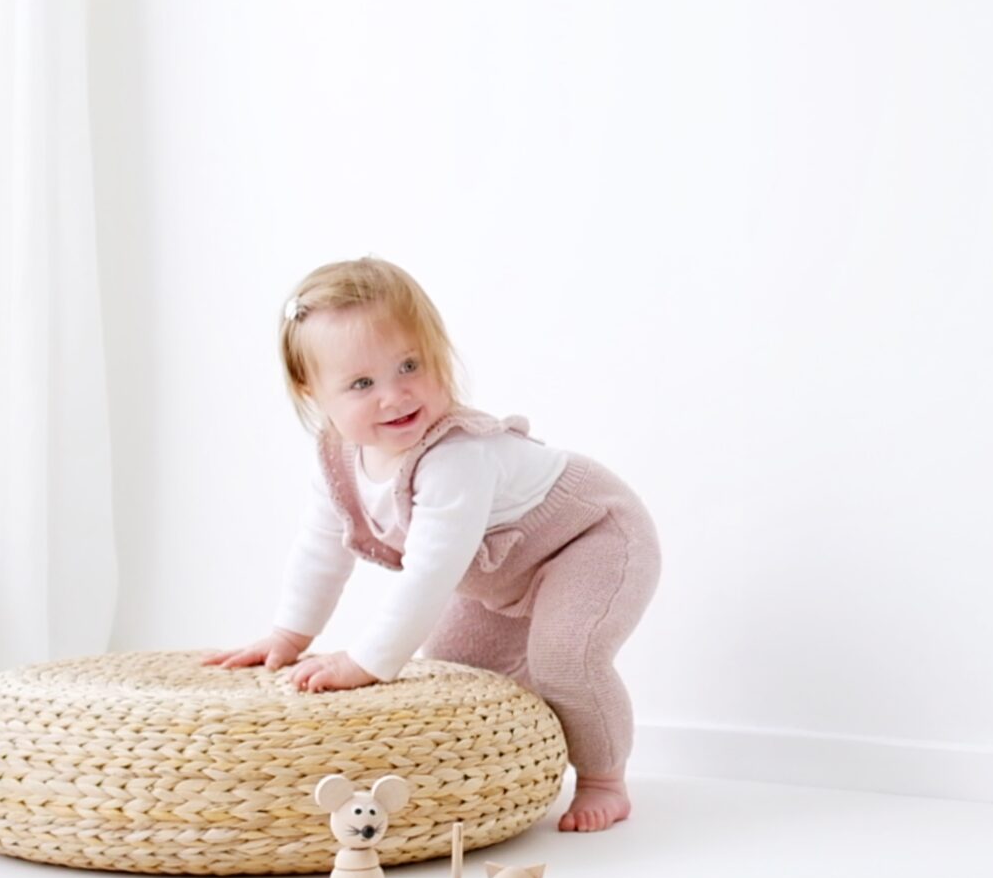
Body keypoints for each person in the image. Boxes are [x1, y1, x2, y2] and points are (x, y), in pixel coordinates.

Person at [206, 257, 661, 833]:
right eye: (362, 384)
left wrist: (365, 661)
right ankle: (506, 770)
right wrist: (290, 634)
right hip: (498, 572)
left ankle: (603, 778)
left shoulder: (455, 458)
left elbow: (429, 574)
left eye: (410, 365)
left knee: (564, 660)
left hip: (591, 539)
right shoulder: (338, 459)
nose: (395, 397)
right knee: (457, 673)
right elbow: (320, 547)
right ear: (311, 390)